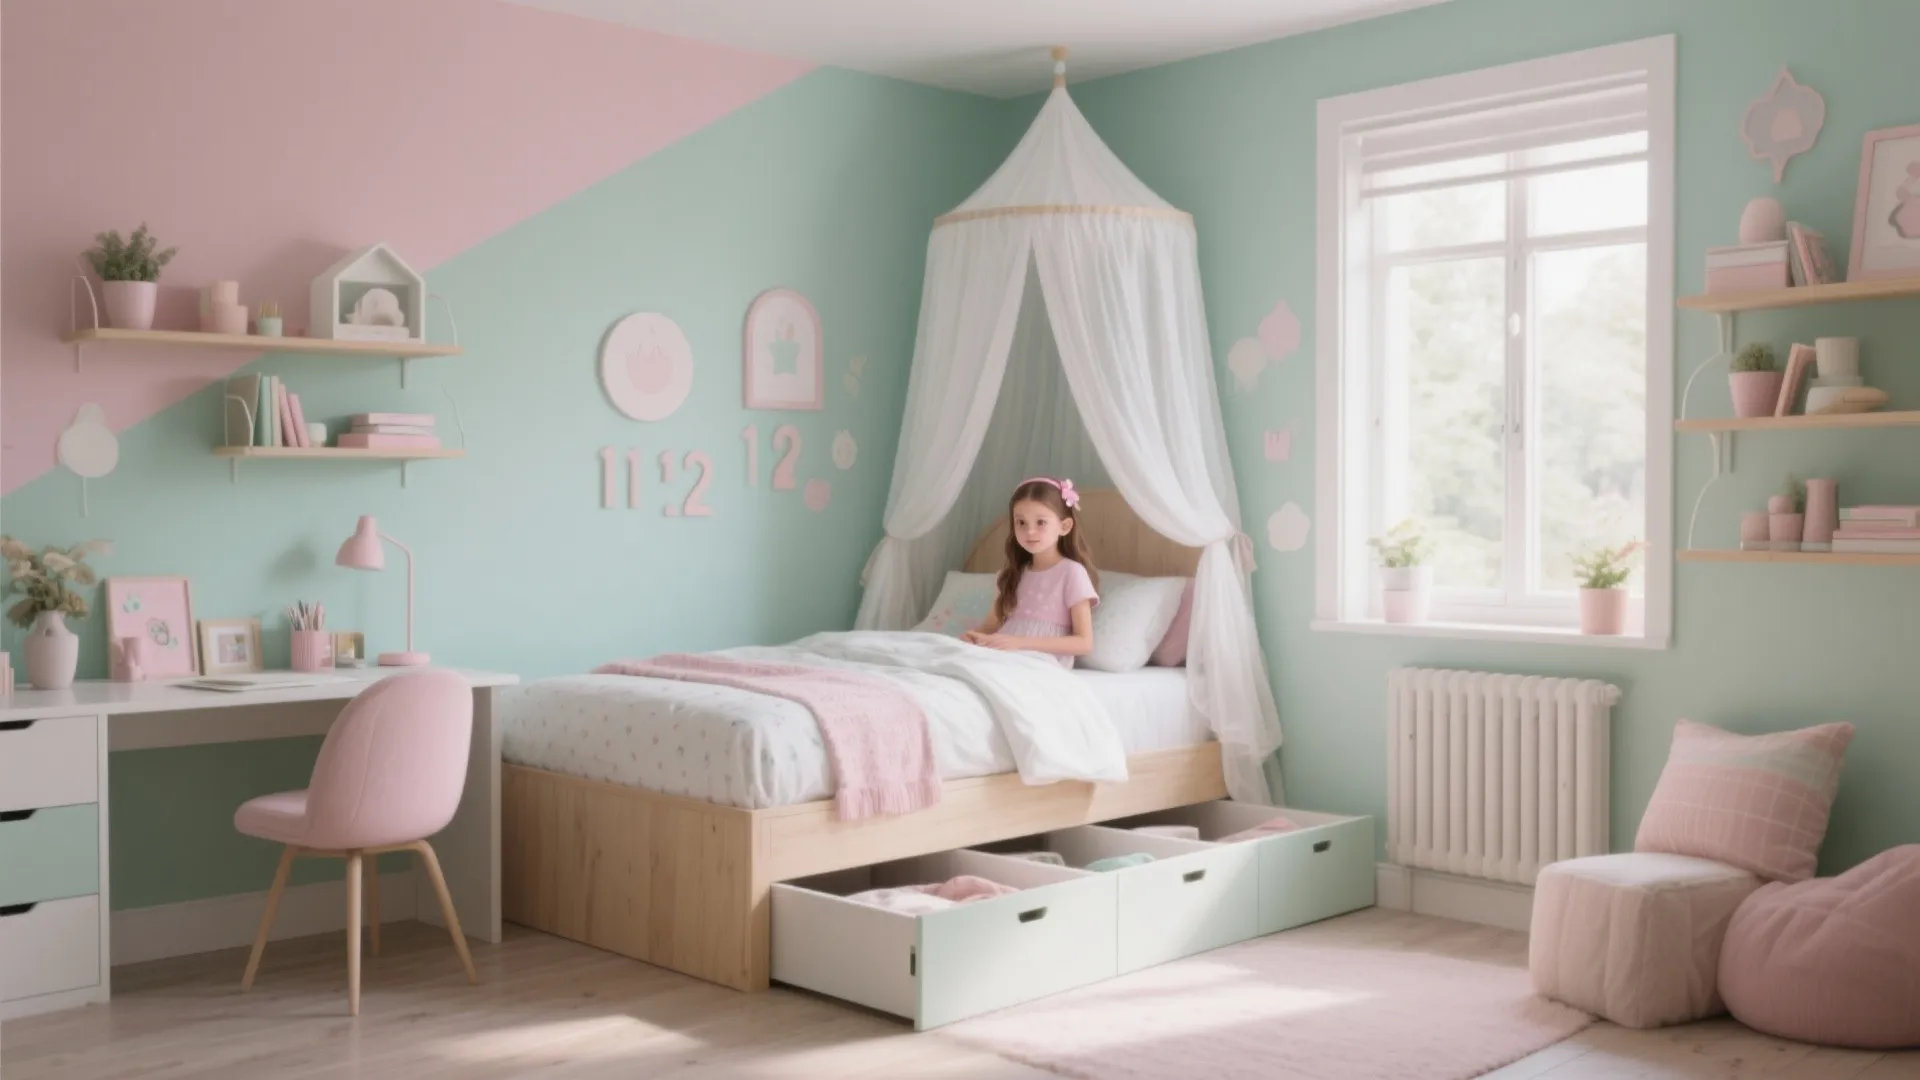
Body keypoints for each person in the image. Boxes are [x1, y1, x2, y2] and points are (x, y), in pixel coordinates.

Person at [962, 477, 1098, 667]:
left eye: (1041, 522)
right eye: (1021, 523)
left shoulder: (1072, 573)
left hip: (1041, 662)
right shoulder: (1012, 574)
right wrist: (975, 637)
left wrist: (1020, 643)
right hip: (1005, 653)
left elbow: (1084, 642)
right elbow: (990, 627)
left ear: (1064, 526)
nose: (1030, 532)